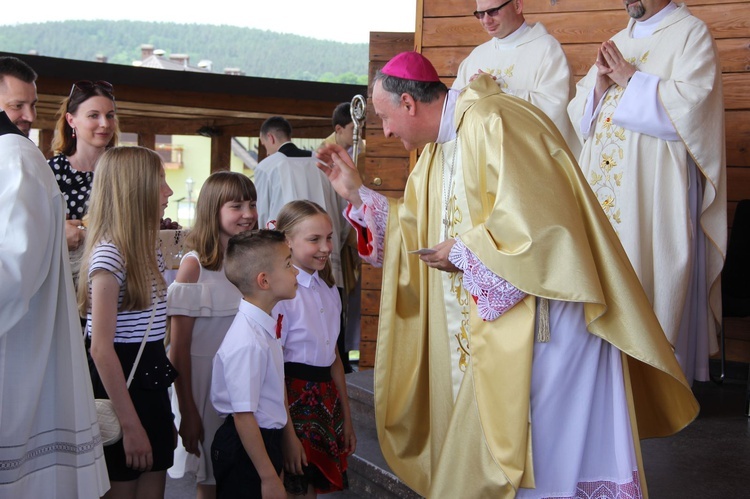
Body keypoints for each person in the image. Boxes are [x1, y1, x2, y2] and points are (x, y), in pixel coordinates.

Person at [317, 51, 699, 497]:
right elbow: (415, 228)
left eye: (386, 118)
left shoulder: (495, 120)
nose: (386, 131)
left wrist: (464, 250)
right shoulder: (437, 150)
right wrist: (356, 192)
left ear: (409, 103)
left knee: (550, 451)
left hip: (549, 322)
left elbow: (542, 224)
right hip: (500, 327)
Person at [567, 0, 726, 383]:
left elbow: (693, 108)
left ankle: (654, 382)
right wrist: (601, 86)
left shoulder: (691, 34)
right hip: (604, 186)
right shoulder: (619, 40)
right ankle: (604, 380)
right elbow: (580, 117)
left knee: (649, 269)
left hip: (655, 188)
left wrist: (631, 79)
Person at [0, 56, 109, 499]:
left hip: (19, 344)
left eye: (31, 105)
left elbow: (15, 266)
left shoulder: (15, 157)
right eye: (16, 106)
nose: (28, 117)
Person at [79, 146, 176, 499]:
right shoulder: (110, 255)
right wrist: (131, 424)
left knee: (153, 481)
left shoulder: (147, 247)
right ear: (134, 191)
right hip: (120, 390)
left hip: (148, 380)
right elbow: (101, 349)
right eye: (160, 181)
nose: (168, 191)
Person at [167, 171, 257, 499]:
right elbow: (179, 349)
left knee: (245, 473)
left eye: (252, 204)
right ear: (212, 210)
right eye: (236, 206)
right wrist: (189, 410)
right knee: (211, 477)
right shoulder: (195, 266)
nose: (248, 214)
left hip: (243, 378)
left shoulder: (252, 261)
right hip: (203, 384)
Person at [254, 115, 352, 371]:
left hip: (285, 267)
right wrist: (331, 245)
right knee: (331, 338)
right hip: (328, 262)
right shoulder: (321, 163)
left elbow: (263, 218)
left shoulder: (268, 166)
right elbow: (343, 215)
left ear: (270, 138)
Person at [273, 201, 356, 496]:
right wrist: (287, 435)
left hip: (324, 398)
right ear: (287, 241)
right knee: (292, 486)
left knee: (310, 489)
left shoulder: (329, 290)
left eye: (329, 237)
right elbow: (274, 367)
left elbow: (333, 358)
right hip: (291, 400)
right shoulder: (280, 296)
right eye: (314, 239)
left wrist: (346, 415)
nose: (326, 247)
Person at [210, 230, 299, 499]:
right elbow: (244, 416)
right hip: (245, 448)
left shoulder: (262, 326)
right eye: (287, 264)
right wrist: (268, 477)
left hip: (263, 440)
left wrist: (287, 439)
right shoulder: (247, 341)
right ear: (264, 280)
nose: (295, 271)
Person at [453, 0, 580, 156]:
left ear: (517, 6)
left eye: (493, 11)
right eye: (480, 14)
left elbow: (554, 106)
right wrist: (471, 92)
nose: (486, 20)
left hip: (532, 159)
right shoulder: (476, 57)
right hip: (486, 159)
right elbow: (455, 108)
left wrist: (498, 93)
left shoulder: (547, 49)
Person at [48, 80, 118, 256]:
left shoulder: (124, 170)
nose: (105, 123)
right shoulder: (52, 171)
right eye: (94, 115)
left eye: (110, 115)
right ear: (71, 120)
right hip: (65, 277)